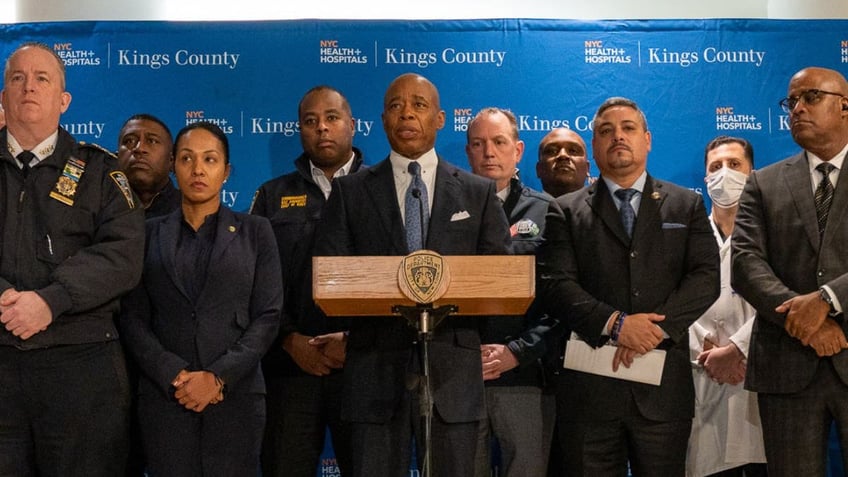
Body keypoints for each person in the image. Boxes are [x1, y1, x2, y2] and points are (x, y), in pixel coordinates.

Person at [313, 72, 511, 477]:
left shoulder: (477, 192)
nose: (407, 114)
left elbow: (499, 274)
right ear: (383, 120)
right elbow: (331, 272)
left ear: (440, 119)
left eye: (419, 105)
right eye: (396, 106)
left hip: (453, 378)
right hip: (373, 371)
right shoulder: (350, 192)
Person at [537, 96, 719, 476]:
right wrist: (618, 325)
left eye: (628, 128)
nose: (617, 137)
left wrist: (653, 330)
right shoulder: (565, 210)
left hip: (662, 394)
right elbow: (557, 286)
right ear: (595, 146)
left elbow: (705, 279)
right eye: (606, 131)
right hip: (589, 395)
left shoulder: (685, 204)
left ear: (647, 139)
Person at [0, 42, 145, 476]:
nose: (29, 87)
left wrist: (52, 300)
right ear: (2, 97)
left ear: (64, 100)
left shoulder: (102, 171)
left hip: (80, 365)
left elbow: (123, 252)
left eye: (42, 78)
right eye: (17, 78)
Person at [119, 121, 283, 477]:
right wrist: (174, 375)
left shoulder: (256, 232)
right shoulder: (147, 233)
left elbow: (268, 316)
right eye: (188, 159)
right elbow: (132, 318)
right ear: (174, 166)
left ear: (226, 172)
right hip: (167, 399)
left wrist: (218, 377)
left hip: (235, 399)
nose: (198, 170)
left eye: (209, 160)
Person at [731, 66, 848, 477]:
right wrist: (809, 323)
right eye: (791, 101)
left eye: (811, 97)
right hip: (787, 361)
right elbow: (745, 264)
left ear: (845, 106)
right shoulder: (763, 182)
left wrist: (828, 300)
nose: (797, 108)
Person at [251, 85, 365, 477]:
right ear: (300, 129)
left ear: (352, 125)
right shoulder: (271, 195)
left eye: (332, 118)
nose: (322, 128)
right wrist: (289, 340)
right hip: (290, 368)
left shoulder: (383, 189)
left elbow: (400, 276)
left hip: (364, 366)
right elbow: (256, 281)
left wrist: (356, 341)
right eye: (310, 121)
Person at [465, 107, 556, 477]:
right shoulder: (444, 208)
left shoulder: (548, 211)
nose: (489, 152)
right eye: (478, 143)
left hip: (525, 375)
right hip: (461, 379)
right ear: (468, 152)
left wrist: (517, 352)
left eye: (499, 142)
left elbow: (560, 299)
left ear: (518, 150)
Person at [687, 136, 767, 477]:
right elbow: (668, 301)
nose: (724, 174)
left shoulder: (773, 231)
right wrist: (704, 347)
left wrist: (738, 349)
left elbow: (783, 299)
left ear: (753, 173)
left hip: (759, 373)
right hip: (703, 377)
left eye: (734, 165)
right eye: (715, 167)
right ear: (705, 179)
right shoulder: (687, 236)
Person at [117, 113, 181, 219]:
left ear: (171, 160)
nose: (139, 148)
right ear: (116, 156)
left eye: (152, 141)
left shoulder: (190, 211)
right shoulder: (98, 209)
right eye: (130, 141)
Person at [536, 127, 590, 197]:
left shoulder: (606, 207)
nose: (563, 155)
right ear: (539, 169)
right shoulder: (521, 208)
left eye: (573, 151)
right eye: (552, 151)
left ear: (587, 168)